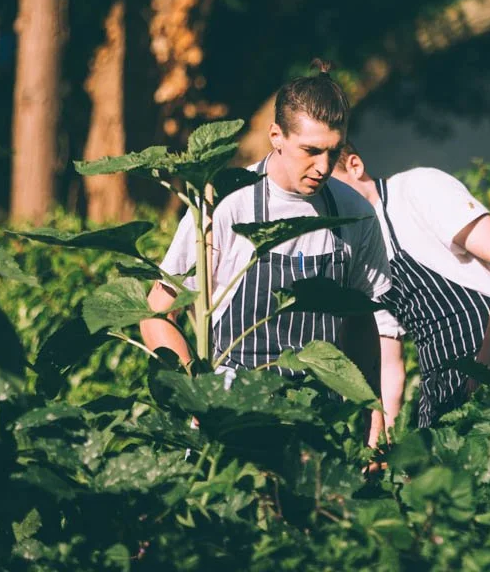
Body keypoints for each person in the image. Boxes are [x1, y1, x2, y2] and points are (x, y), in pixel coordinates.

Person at [141, 66, 391, 384]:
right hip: (235, 402)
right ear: (276, 136)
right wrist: (196, 391)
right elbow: (158, 312)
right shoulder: (224, 204)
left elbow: (359, 321)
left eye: (334, 151)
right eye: (311, 151)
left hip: (319, 406)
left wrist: (369, 403)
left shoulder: (355, 213)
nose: (323, 166)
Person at [331, 144, 490, 433]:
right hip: (439, 376)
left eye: (333, 187)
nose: (332, 201)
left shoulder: (417, 189)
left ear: (355, 166)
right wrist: (381, 440)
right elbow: (389, 364)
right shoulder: (361, 251)